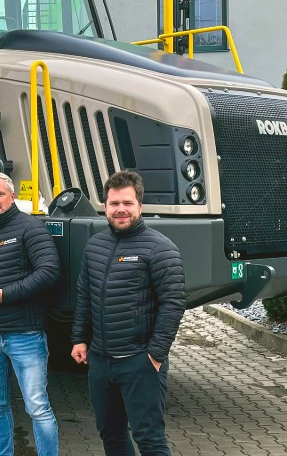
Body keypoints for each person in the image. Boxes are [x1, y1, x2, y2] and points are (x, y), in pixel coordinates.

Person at [71, 170, 186, 456]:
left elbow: (173, 304)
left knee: (150, 440)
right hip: (100, 362)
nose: (120, 209)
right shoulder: (95, 246)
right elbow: (85, 295)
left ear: (139, 206)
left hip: (140, 363)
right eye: (113, 203)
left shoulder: (160, 249)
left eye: (127, 203)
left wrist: (155, 355)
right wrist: (79, 339)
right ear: (105, 206)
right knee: (111, 436)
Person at [0, 172, 60, 456]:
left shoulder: (30, 228)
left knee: (37, 406)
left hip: (25, 335)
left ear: (11, 196)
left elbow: (49, 271)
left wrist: (6, 295)